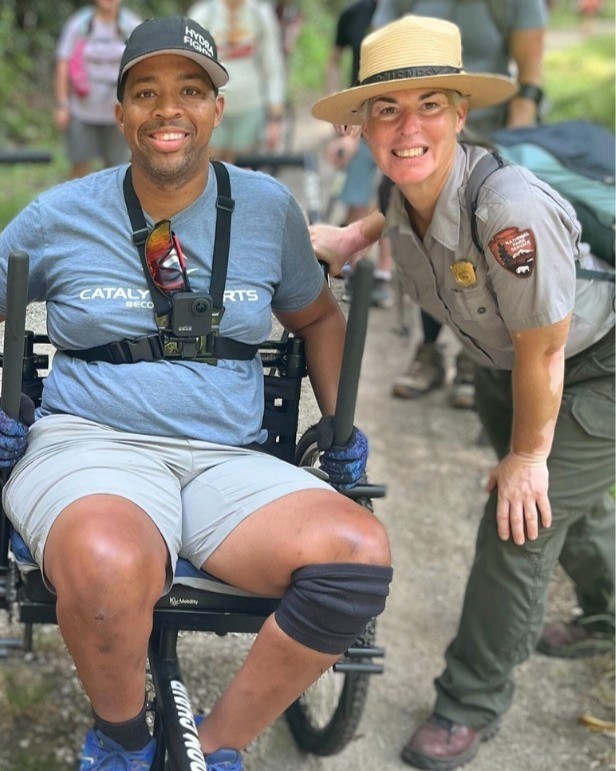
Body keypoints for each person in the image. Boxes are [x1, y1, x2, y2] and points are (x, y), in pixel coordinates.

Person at [0, 16, 393, 770]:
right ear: (119, 114)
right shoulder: (61, 213)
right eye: (145, 92)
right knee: (109, 562)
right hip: (90, 444)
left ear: (217, 108)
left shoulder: (267, 209)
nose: (168, 109)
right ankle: (121, 739)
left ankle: (211, 746)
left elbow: (317, 317)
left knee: (358, 555)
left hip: (227, 459)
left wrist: (342, 421)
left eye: (190, 90)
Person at [310, 16, 615, 769]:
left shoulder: (509, 211)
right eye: (386, 109)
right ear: (364, 124)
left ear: (460, 113)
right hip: (508, 366)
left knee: (520, 520)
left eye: (429, 106)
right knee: (566, 500)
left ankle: (468, 703)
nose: (407, 128)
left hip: (594, 363)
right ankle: (608, 615)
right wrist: (353, 237)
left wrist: (528, 457)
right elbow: (397, 210)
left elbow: (546, 349)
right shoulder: (404, 183)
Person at [373, 0, 548, 407]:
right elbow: (380, 54)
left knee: (482, 240)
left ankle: (479, 356)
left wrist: (510, 155)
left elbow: (529, 80)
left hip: (492, 136)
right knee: (424, 237)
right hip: (418, 134)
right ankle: (430, 348)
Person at [323, 0, 394, 308]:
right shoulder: (353, 14)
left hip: (397, 113)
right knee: (357, 195)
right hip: (361, 113)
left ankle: (383, 272)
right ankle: (354, 265)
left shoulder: (410, 9)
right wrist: (337, 105)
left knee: (392, 193)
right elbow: (334, 60)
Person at [187, 0, 287, 160]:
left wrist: (275, 119)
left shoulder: (260, 14)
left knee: (241, 167)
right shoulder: (203, 15)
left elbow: (273, 68)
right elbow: (190, 69)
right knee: (211, 164)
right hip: (211, 107)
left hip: (249, 107)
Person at [55, 0, 143, 179]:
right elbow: (63, 64)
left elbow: (143, 66)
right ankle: (79, 198)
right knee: (79, 168)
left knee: (117, 170)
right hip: (82, 112)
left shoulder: (131, 25)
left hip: (119, 114)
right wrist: (62, 104)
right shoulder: (79, 24)